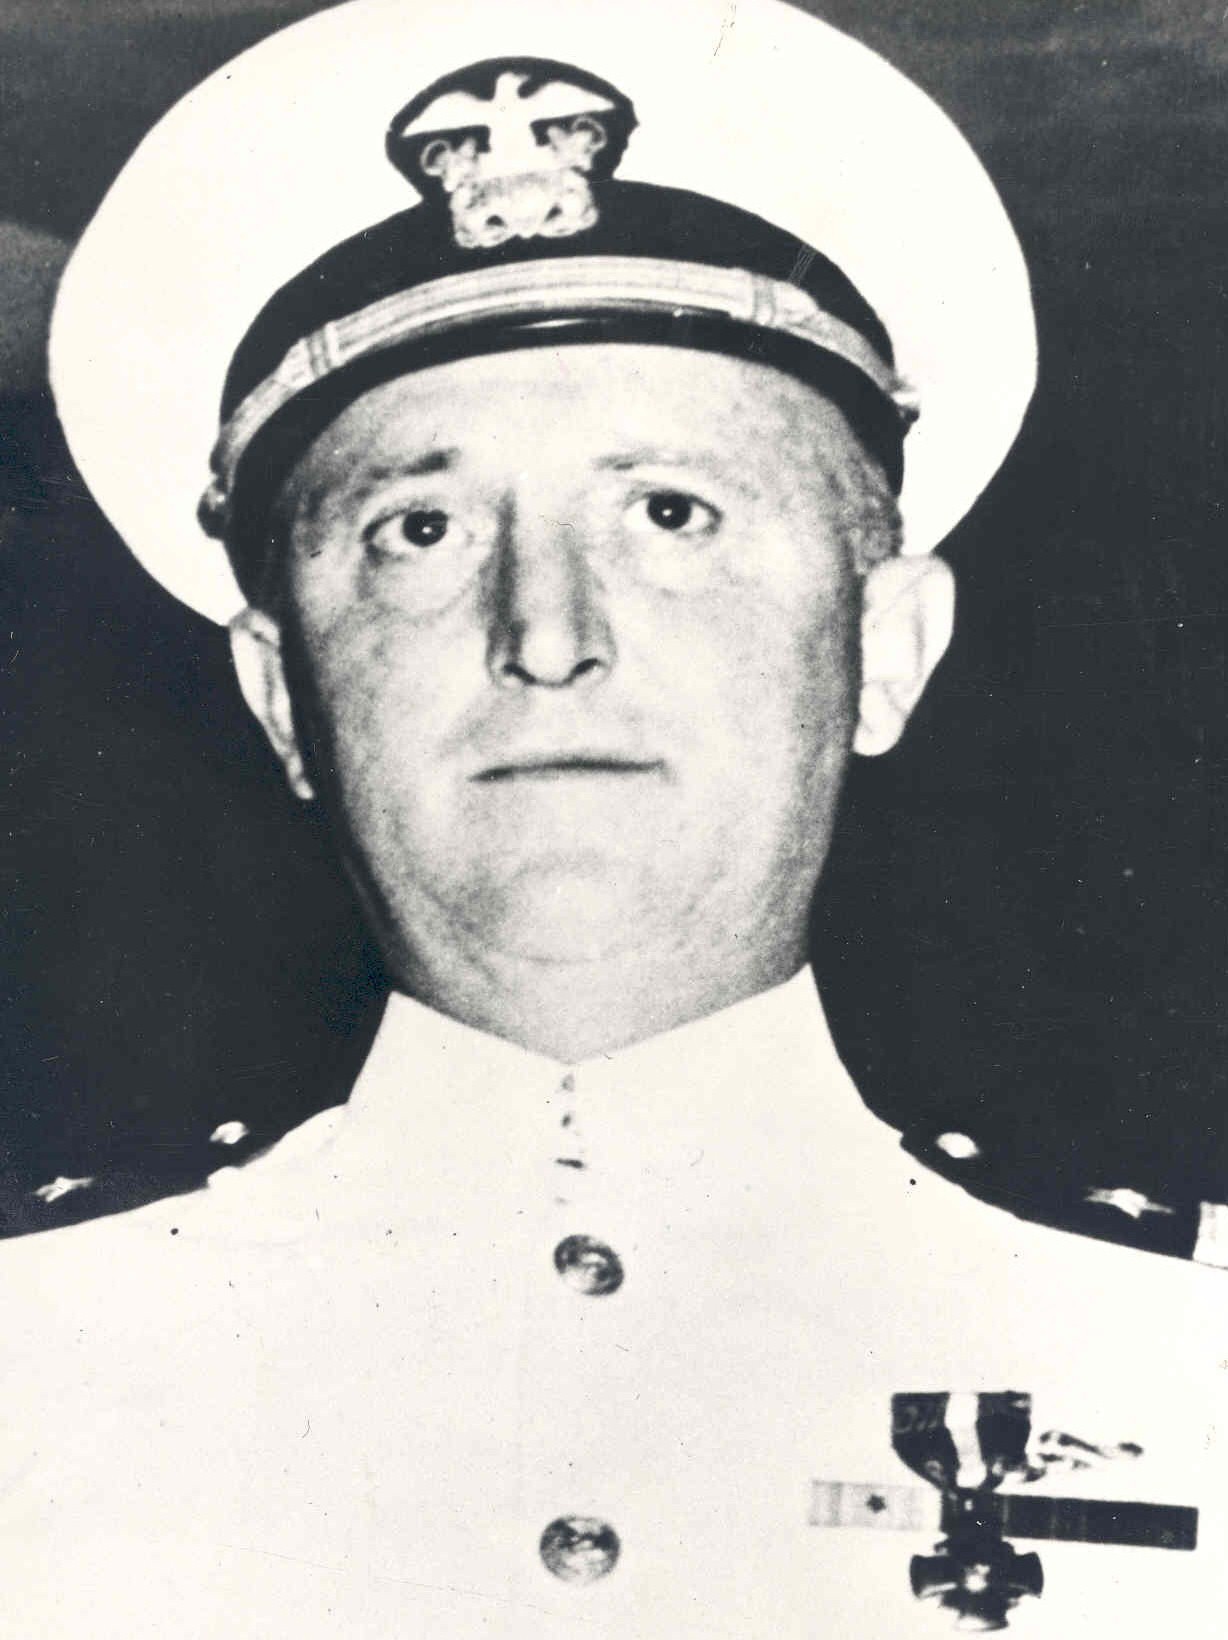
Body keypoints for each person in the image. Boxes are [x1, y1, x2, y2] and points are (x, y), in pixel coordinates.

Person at [3, 1, 1224, 1633]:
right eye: (420, 531)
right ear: (283, 697)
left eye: (670, 511)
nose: (548, 635)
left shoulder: (1180, 1354)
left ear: (884, 649)